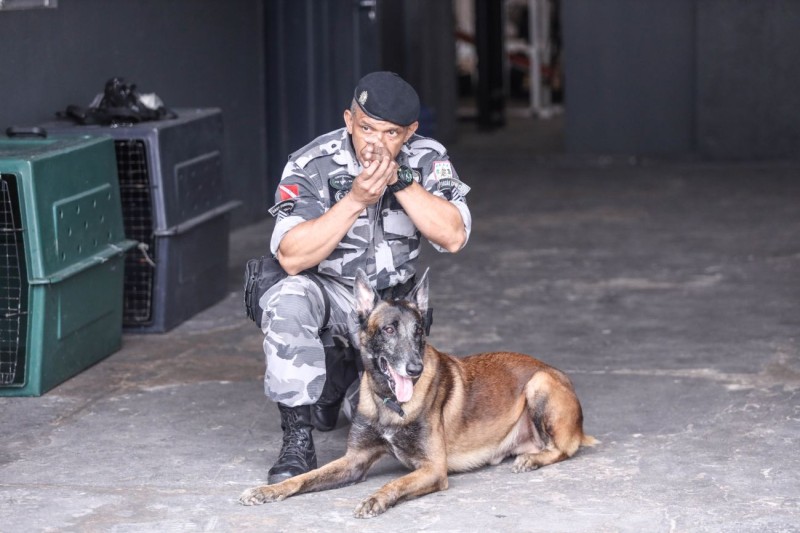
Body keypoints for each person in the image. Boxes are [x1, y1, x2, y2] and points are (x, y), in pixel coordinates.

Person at [259, 71, 472, 484]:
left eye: (390, 132)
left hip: (392, 313)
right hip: (332, 296)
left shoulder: (427, 158)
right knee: (287, 295)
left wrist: (401, 181)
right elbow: (290, 255)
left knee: (388, 421)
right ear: (348, 120)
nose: (374, 142)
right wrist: (355, 200)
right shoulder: (312, 162)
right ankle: (296, 438)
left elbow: (454, 235)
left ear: (409, 132)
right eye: (366, 128)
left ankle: (334, 385)